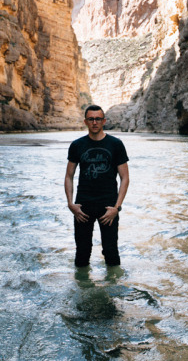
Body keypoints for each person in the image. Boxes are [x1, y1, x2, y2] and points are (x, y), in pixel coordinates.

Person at [64, 104, 129, 268]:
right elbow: (69, 176)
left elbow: (125, 177)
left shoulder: (116, 144)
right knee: (82, 254)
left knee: (111, 253)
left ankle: (113, 290)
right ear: (85, 121)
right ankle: (83, 290)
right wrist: (71, 204)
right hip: (82, 208)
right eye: (91, 119)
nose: (95, 122)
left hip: (108, 208)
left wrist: (117, 207)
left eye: (98, 119)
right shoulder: (77, 145)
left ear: (104, 121)